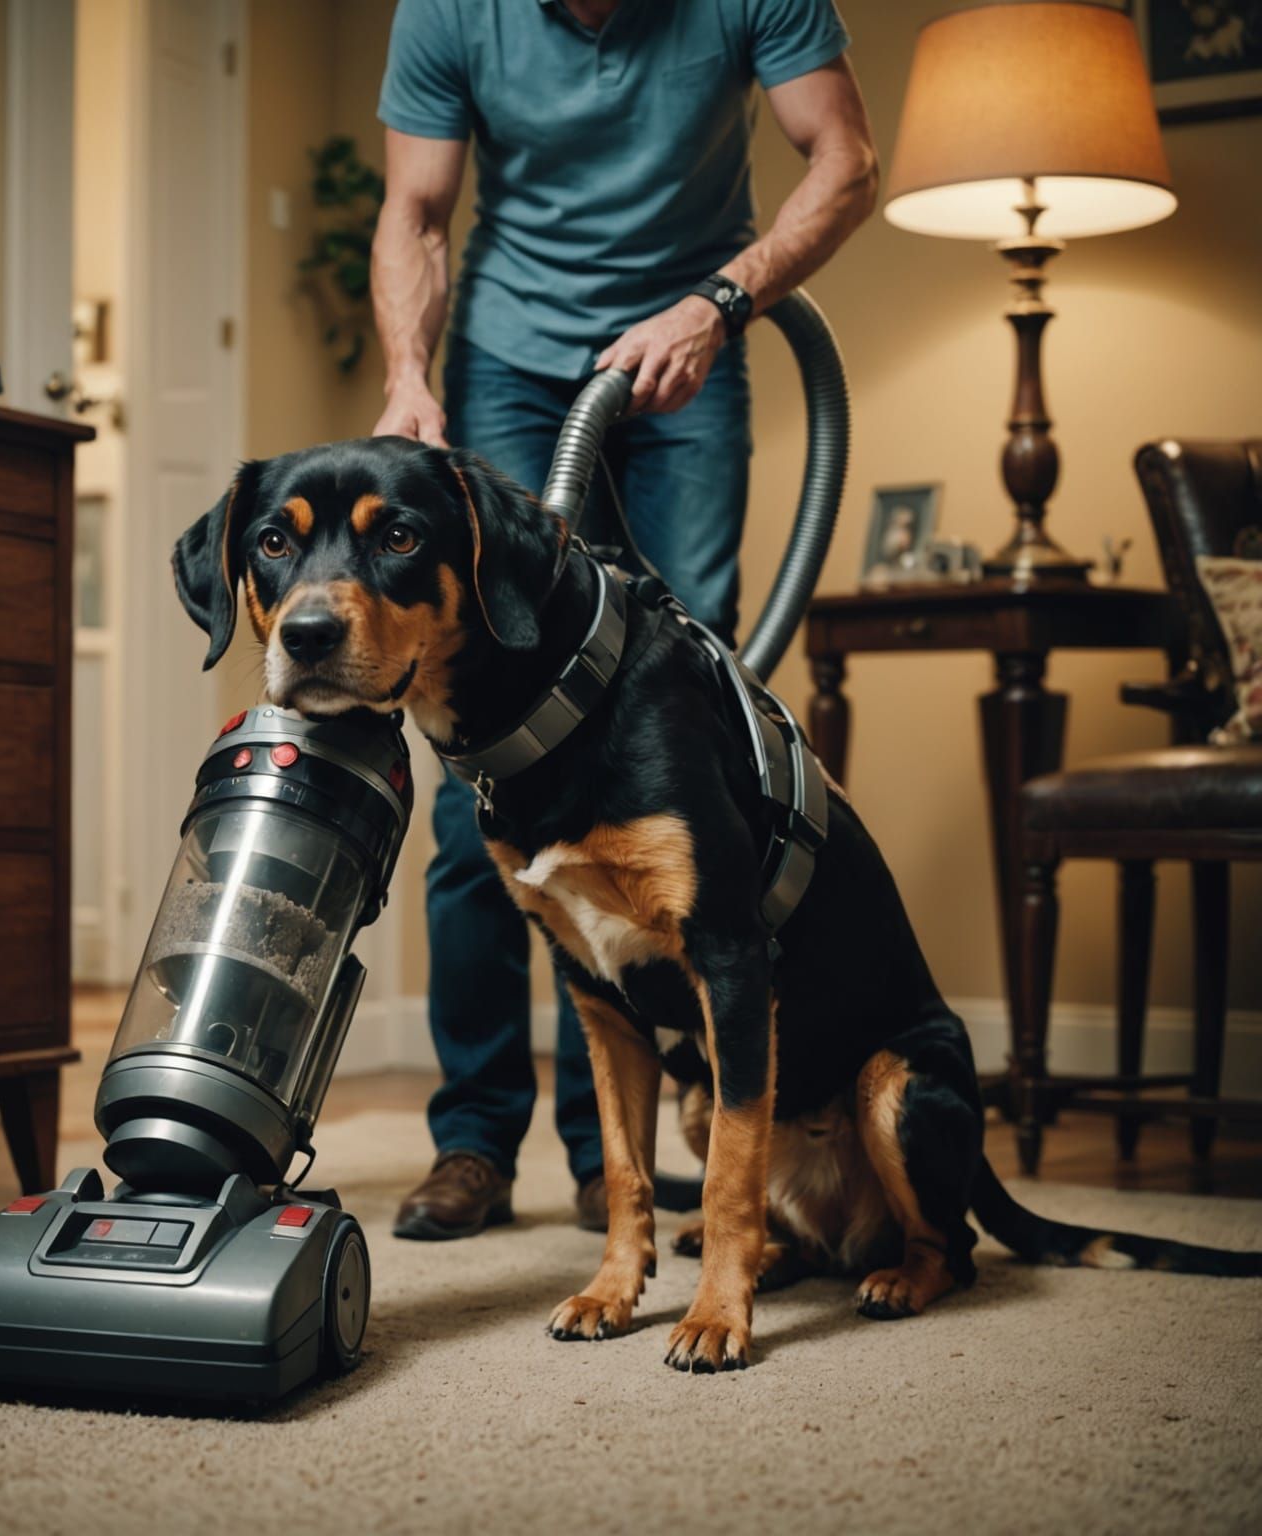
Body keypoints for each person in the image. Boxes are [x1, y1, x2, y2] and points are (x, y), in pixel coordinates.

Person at [371, 0, 877, 1241]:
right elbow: (419, 213)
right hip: (511, 359)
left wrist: (721, 302)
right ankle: (475, 1140)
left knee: (684, 742)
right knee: (477, 767)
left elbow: (846, 160)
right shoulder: (451, 10)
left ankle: (616, 1156)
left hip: (688, 353)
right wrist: (406, 374)